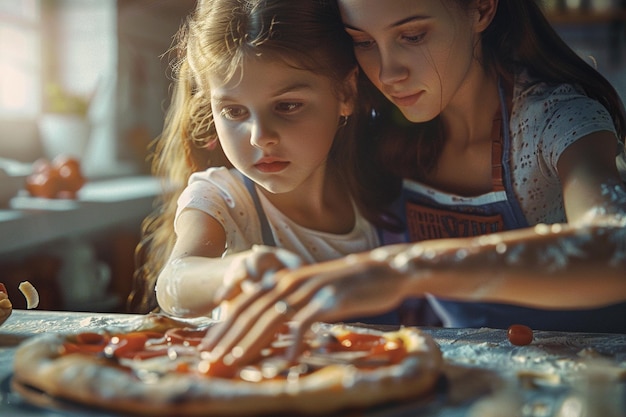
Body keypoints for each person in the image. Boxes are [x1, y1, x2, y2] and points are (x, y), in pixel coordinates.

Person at [199, 0, 626, 366]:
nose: (388, 73)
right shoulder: (379, 125)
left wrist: (403, 268)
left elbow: (616, 247)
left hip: (592, 379)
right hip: (470, 378)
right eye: (364, 42)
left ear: (481, 8)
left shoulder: (556, 118)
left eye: (413, 36)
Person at [127, 0, 380, 317]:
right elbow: (174, 282)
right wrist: (238, 271)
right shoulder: (222, 198)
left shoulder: (374, 198)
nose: (260, 136)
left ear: (345, 93)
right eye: (234, 111)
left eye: (287, 106)